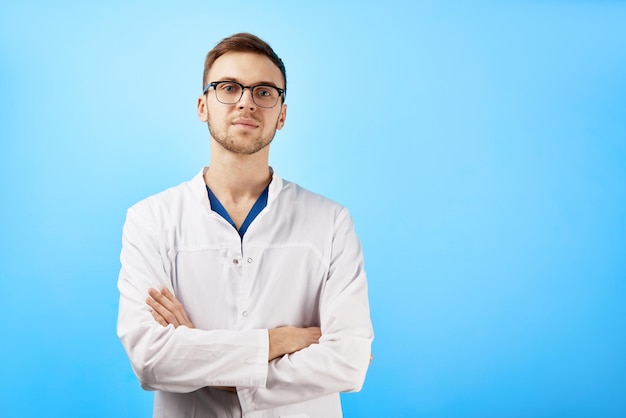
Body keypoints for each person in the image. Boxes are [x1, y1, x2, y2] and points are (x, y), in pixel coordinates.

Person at [117, 32, 374, 418]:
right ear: (203, 106)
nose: (246, 102)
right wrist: (277, 341)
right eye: (229, 87)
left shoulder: (330, 221)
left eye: (264, 92)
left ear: (281, 114)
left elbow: (349, 361)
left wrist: (199, 355)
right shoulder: (151, 220)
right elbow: (151, 360)